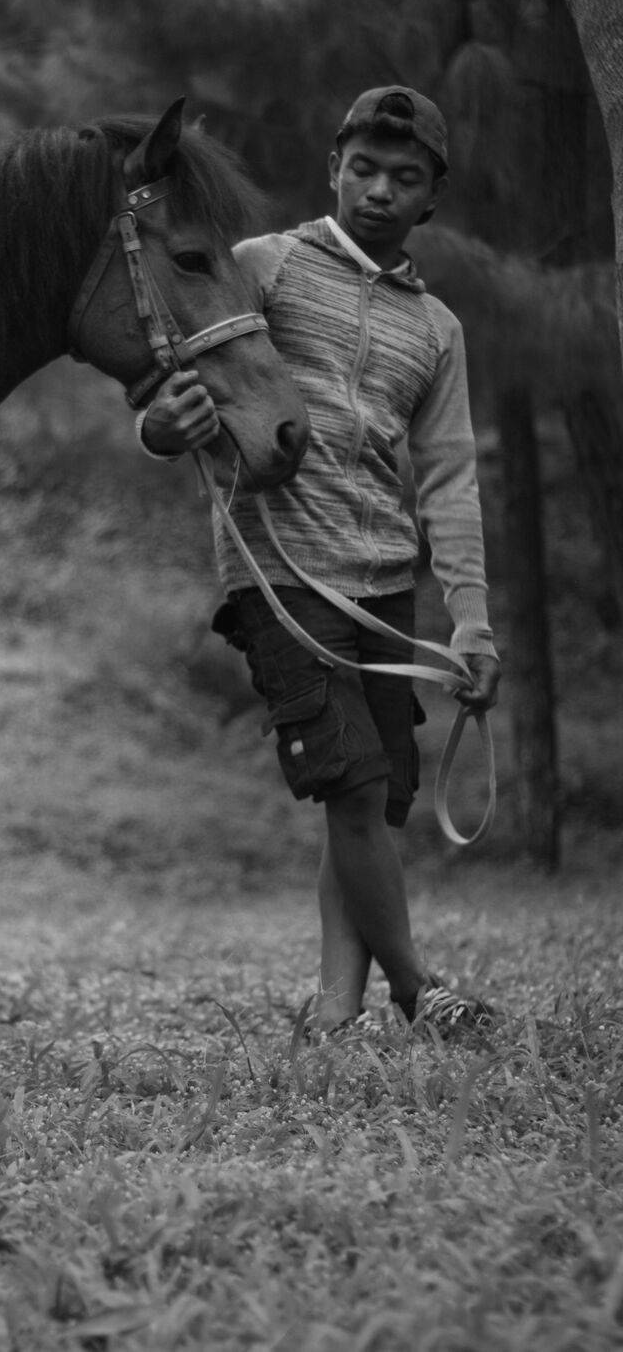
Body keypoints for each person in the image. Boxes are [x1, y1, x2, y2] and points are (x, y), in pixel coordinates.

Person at [138, 86, 501, 1036]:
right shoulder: (265, 266)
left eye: (404, 177)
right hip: (281, 571)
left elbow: (449, 478)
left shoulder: (438, 329)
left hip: (384, 582)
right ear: (334, 168)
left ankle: (336, 1016)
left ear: (431, 196)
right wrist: (159, 428)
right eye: (364, 168)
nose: (380, 190)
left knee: (372, 802)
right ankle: (420, 993)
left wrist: (472, 620)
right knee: (353, 785)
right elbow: (184, 375)